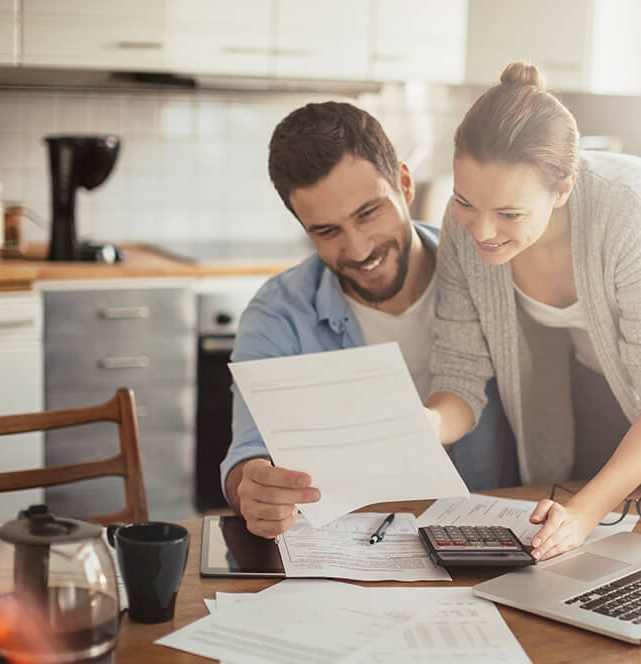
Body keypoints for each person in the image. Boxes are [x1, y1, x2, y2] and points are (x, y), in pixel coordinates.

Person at [425, 62, 641, 562]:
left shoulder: (635, 213)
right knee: (588, 546)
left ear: (563, 189)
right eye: (465, 203)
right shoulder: (466, 226)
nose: (480, 231)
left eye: (509, 214)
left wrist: (584, 515)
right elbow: (459, 377)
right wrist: (426, 424)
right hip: (599, 370)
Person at [221, 101, 517, 538]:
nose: (359, 249)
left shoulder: (486, 273)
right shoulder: (278, 313)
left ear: (404, 182)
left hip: (493, 537)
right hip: (352, 547)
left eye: (368, 213)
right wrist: (255, 488)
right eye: (327, 231)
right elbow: (249, 453)